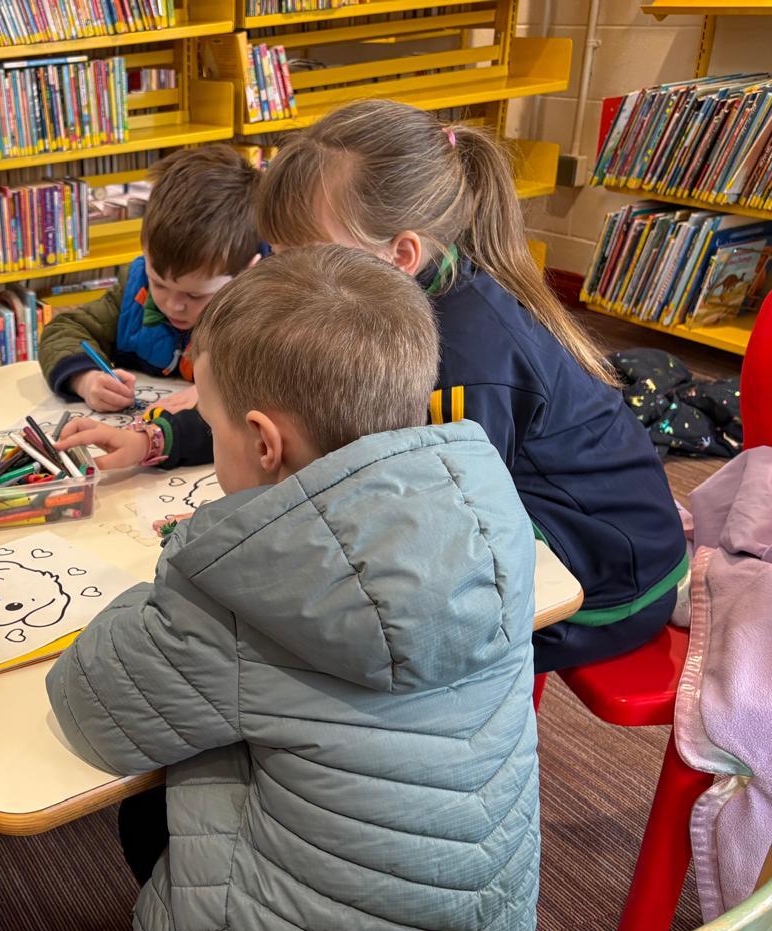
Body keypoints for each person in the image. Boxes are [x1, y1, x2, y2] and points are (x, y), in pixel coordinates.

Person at [47, 246, 540, 931]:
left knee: (159, 786)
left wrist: (180, 575)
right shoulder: (489, 513)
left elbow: (88, 706)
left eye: (210, 426)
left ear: (262, 443)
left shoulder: (238, 590)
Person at [61, 101, 686, 673]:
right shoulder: (356, 301)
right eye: (279, 253)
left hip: (599, 581)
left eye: (304, 253)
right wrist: (157, 439)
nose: (285, 274)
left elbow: (443, 536)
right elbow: (281, 404)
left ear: (400, 255)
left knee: (311, 648)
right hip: (509, 528)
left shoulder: (465, 359)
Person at [37, 144, 261, 414]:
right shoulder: (135, 289)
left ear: (246, 273)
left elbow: (284, 380)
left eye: (194, 295)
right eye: (159, 283)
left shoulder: (267, 317)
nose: (173, 305)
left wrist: (220, 390)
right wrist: (85, 379)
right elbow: (65, 329)